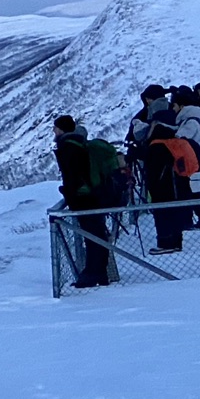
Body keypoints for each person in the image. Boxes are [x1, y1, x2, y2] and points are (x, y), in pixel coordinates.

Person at [54, 115, 116, 287]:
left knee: (91, 235)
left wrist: (68, 191)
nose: (54, 131)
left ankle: (92, 273)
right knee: (96, 233)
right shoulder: (80, 144)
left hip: (84, 197)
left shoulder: (69, 147)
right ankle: (99, 272)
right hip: (93, 195)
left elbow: (73, 174)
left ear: (61, 129)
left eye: (55, 128)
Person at [172, 89, 200, 230]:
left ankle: (192, 220)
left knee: (189, 192)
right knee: (193, 191)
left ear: (181, 106)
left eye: (175, 105)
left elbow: (180, 138)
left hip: (188, 163)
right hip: (194, 161)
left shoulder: (190, 123)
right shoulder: (195, 121)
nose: (173, 108)